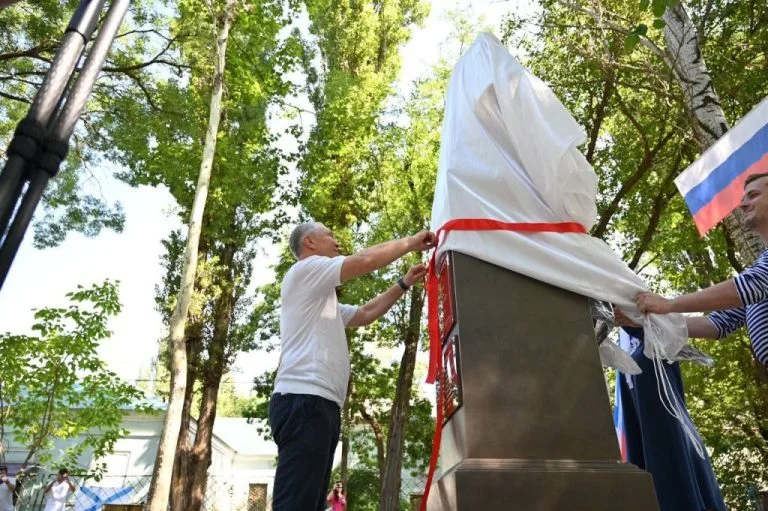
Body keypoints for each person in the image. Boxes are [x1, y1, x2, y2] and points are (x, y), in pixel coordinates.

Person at [269, 222, 435, 511]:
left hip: (320, 405)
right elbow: (365, 260)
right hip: (304, 401)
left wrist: (403, 284)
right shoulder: (306, 271)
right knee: (295, 504)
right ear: (309, 242)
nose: (336, 241)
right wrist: (411, 242)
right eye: (329, 235)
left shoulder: (321, 299)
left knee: (307, 503)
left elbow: (366, 313)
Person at [635, 172, 768, 367]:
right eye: (743, 198)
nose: (742, 204)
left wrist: (669, 304)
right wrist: (644, 320)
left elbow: (753, 283)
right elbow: (718, 324)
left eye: (753, 195)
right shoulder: (760, 267)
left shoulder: (757, 279)